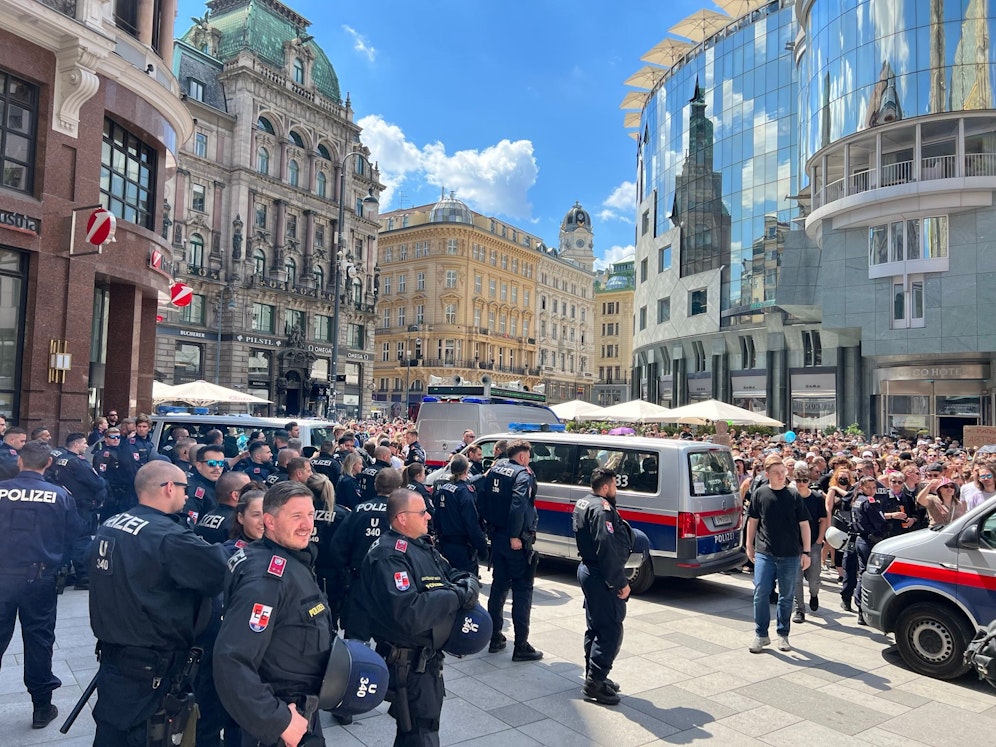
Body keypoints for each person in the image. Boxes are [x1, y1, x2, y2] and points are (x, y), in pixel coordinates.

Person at [88, 460, 228, 745]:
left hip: (115, 655)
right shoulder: (168, 535)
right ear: (169, 488)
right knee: (143, 735)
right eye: (184, 488)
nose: (187, 495)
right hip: (151, 664)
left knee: (111, 733)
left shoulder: (111, 524)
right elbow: (217, 573)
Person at [213, 482, 333, 747]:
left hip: (300, 710)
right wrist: (277, 721)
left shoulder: (289, 558)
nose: (307, 525)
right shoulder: (268, 579)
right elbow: (232, 659)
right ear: (270, 521)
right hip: (281, 719)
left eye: (310, 515)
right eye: (296, 516)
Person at [362, 488, 479, 747]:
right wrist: (458, 596)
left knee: (419, 730)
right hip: (409, 664)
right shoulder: (389, 555)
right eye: (422, 512)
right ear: (402, 518)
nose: (429, 516)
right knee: (421, 732)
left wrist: (468, 581)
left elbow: (450, 573)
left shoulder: (419, 546)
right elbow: (409, 612)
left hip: (426, 661)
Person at [0, 440, 81, 729]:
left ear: (20, 461)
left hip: (2, 577)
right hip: (39, 578)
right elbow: (74, 534)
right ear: (48, 464)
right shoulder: (60, 495)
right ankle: (42, 707)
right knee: (39, 642)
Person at [572, 468, 634, 706]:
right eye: (615, 485)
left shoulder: (584, 502)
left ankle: (595, 674)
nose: (616, 490)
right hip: (600, 574)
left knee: (595, 626)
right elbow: (605, 546)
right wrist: (620, 581)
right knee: (610, 629)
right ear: (606, 487)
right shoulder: (601, 509)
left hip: (589, 569)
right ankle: (595, 683)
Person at [745, 455, 811, 653]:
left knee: (786, 596)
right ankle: (761, 634)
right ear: (767, 474)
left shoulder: (793, 495)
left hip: (790, 554)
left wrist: (806, 551)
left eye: (783, 472)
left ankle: (783, 634)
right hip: (765, 551)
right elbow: (753, 521)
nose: (781, 476)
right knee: (760, 592)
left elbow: (804, 525)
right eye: (776, 473)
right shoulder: (760, 493)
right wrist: (749, 545)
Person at [485, 439, 543, 661]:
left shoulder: (495, 469)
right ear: (521, 456)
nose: (529, 460)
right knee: (522, 590)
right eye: (528, 456)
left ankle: (494, 638)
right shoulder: (523, 475)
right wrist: (515, 535)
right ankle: (521, 646)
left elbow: (482, 497)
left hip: (497, 537)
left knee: (499, 586)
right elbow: (518, 505)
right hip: (515, 541)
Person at [330, 467, 402, 639]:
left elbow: (338, 545)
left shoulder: (358, 510)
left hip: (359, 582)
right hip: (390, 584)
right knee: (390, 640)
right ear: (398, 488)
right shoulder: (400, 514)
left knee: (356, 640)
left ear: (376, 485)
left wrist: (346, 570)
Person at [47, 432, 107, 590]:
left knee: (67, 540)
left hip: (66, 505)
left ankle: (64, 573)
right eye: (84, 443)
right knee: (82, 540)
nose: (86, 446)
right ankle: (84, 576)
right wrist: (102, 482)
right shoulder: (78, 462)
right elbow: (96, 483)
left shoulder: (60, 460)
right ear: (76, 444)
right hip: (81, 506)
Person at [433, 454, 488, 575]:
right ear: (466, 470)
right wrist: (482, 547)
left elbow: (437, 516)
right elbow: (471, 523)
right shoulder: (464, 491)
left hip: (445, 544)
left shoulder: (443, 489)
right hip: (462, 548)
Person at [851, 474, 890, 625]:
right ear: (861, 487)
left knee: (862, 573)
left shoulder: (857, 500)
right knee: (867, 575)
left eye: (874, 487)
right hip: (870, 540)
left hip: (861, 539)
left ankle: (861, 607)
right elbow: (879, 521)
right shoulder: (868, 502)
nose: (872, 490)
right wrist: (885, 529)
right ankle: (862, 606)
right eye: (868, 487)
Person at [791, 466, 827, 624]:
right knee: (796, 579)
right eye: (798, 480)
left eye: (804, 480)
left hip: (813, 543)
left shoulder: (817, 498)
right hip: (794, 544)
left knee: (814, 578)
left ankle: (814, 594)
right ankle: (799, 609)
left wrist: (819, 540)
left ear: (809, 481)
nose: (801, 484)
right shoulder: (790, 497)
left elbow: (824, 519)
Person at [196, 470, 250, 544]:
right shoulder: (236, 522)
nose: (253, 493)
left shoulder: (206, 516)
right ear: (236, 495)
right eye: (249, 490)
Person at [184, 444, 226, 522]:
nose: (217, 467)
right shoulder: (193, 490)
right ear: (199, 465)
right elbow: (189, 523)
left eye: (221, 463)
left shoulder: (221, 485)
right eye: (212, 463)